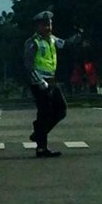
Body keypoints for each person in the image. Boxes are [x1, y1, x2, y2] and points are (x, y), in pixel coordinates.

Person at [24, 10, 79, 158]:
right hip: (39, 82)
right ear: (37, 27)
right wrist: (40, 82)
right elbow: (28, 66)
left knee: (61, 109)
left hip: (52, 80)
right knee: (45, 113)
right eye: (44, 25)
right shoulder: (32, 43)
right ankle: (41, 148)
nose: (48, 28)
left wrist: (78, 37)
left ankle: (39, 133)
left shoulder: (52, 39)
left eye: (49, 24)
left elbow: (65, 44)